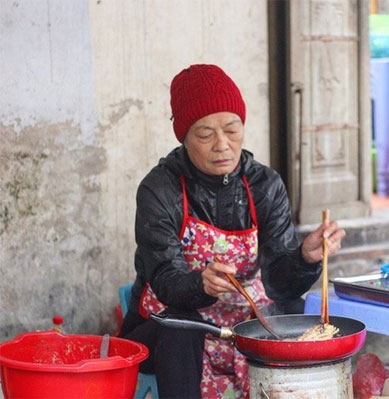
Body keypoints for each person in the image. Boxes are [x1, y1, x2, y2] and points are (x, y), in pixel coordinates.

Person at [119, 64, 346, 398]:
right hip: (170, 327)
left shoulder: (264, 184)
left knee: (300, 315)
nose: (222, 145)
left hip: (246, 323)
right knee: (182, 327)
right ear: (183, 136)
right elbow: (165, 278)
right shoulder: (160, 188)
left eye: (232, 129)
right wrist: (201, 284)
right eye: (205, 134)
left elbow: (279, 285)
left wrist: (304, 257)